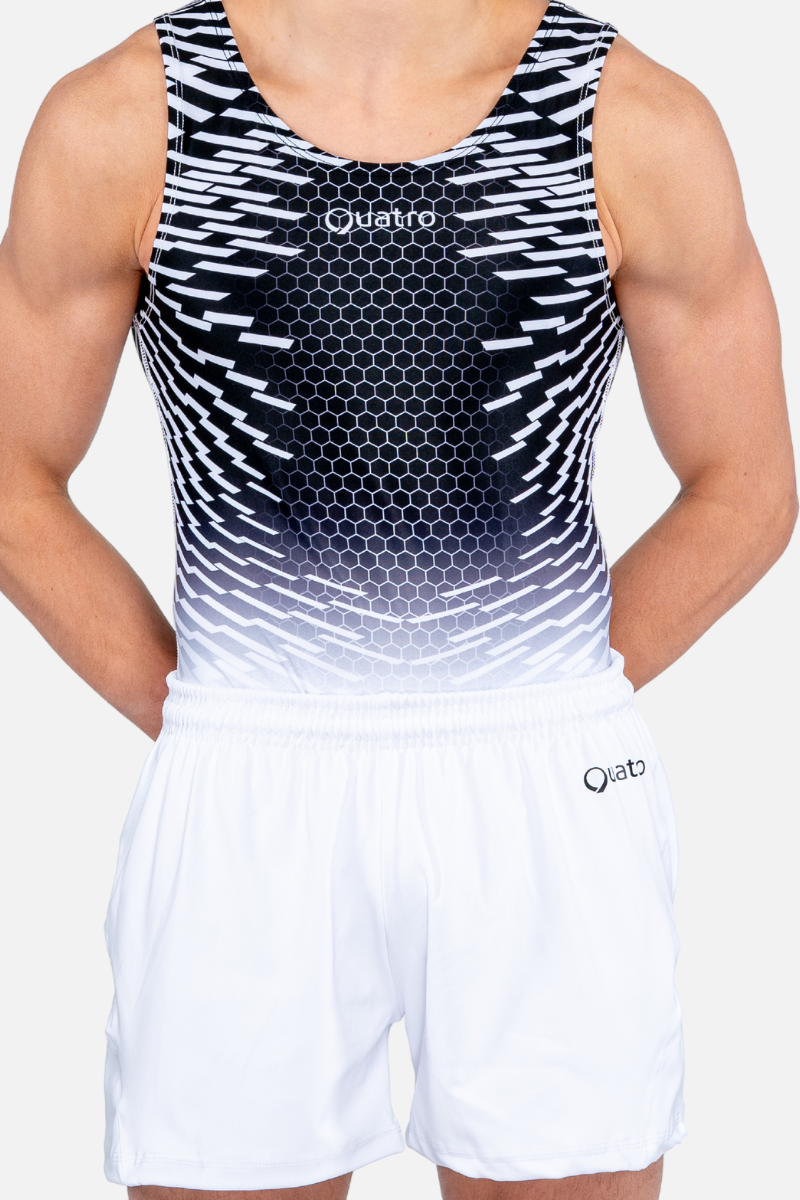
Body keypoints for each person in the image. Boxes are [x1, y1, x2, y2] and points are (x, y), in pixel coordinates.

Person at [0, 0, 795, 1196]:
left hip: (539, 776)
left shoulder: (633, 124)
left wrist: (551, 681)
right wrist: (201, 703)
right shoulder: (123, 122)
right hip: (245, 773)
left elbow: (745, 487)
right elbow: (11, 478)